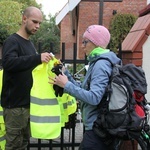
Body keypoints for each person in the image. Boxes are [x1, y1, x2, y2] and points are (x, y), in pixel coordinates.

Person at [49, 25, 121, 150]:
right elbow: (85, 90)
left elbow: (94, 98)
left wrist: (66, 85)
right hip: (99, 127)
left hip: (98, 129)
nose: (82, 46)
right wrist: (66, 75)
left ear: (95, 43)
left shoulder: (101, 65)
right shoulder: (99, 61)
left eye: (85, 42)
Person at [1, 6, 52, 150]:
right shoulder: (12, 41)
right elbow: (9, 63)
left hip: (28, 105)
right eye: (35, 22)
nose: (38, 26)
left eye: (40, 23)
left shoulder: (29, 44)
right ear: (24, 19)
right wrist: (37, 58)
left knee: (23, 144)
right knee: (14, 145)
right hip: (15, 107)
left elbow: (31, 67)